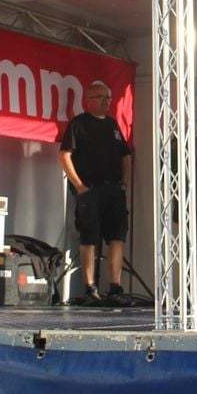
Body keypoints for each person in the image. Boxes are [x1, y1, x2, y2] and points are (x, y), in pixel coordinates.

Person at [58, 80, 133, 307]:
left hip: (113, 189)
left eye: (108, 97)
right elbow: (64, 155)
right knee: (89, 238)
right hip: (90, 189)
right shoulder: (79, 123)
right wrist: (80, 186)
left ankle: (115, 288)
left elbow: (125, 155)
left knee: (117, 238)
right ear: (88, 100)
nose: (107, 102)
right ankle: (90, 288)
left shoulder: (112, 124)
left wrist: (124, 183)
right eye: (101, 97)